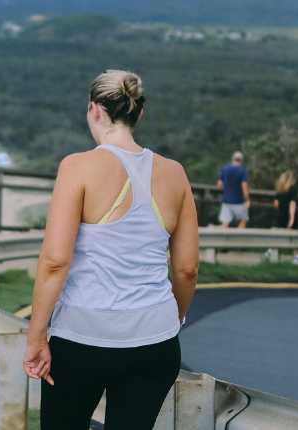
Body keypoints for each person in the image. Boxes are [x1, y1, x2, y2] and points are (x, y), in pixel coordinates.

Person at [22, 70, 199, 430]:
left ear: (94, 110)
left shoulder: (78, 167)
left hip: (82, 338)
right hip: (155, 344)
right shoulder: (175, 173)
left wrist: (37, 336)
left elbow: (55, 261)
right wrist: (170, 321)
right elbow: (186, 269)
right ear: (138, 114)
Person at [267, 170, 298, 264]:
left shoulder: (281, 189)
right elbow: (292, 203)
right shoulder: (293, 189)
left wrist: (281, 209)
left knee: (278, 235)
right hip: (289, 216)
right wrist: (292, 218)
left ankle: (269, 251)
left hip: (281, 215)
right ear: (292, 180)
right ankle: (296, 257)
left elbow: (276, 203)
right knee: (294, 237)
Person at [217, 152, 250, 228]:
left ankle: (222, 238)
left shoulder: (225, 168)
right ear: (241, 160)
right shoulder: (242, 171)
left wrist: (225, 190)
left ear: (233, 159)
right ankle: (239, 237)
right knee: (244, 219)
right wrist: (247, 199)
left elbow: (219, 184)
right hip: (239, 200)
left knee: (225, 221)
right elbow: (244, 185)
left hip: (226, 200)